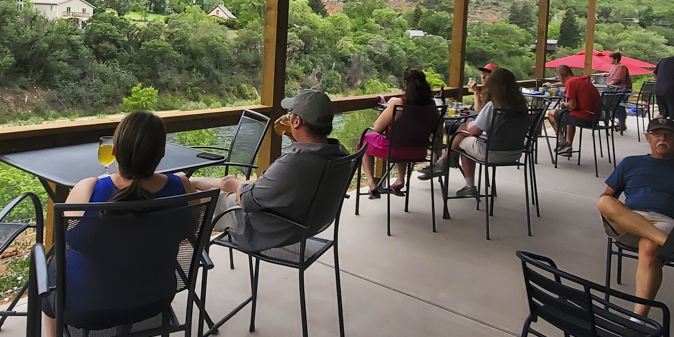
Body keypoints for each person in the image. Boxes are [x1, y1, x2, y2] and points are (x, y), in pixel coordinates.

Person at [36, 111, 199, 337]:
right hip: (153, 300)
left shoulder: (89, 189)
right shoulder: (181, 186)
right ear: (161, 153)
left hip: (84, 308)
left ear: (114, 151)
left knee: (50, 264)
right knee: (134, 259)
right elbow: (188, 230)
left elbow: (69, 239)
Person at [189, 89, 348, 252]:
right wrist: (296, 138)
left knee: (197, 196)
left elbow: (245, 199)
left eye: (290, 113)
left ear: (296, 121)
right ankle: (192, 181)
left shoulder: (293, 164)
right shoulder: (340, 155)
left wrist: (234, 183)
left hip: (266, 229)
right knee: (219, 184)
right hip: (303, 224)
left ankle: (189, 254)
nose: (288, 116)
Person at [597, 118, 674, 315]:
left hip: (667, 223)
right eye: (657, 134)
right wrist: (620, 210)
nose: (662, 138)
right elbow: (608, 195)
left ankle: (638, 319)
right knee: (604, 202)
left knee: (649, 246)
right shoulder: (630, 163)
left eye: (668, 134)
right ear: (647, 137)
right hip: (629, 222)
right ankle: (669, 245)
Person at [442, 67, 530, 198]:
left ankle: (458, 174)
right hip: (515, 152)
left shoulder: (493, 105)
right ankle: (446, 161)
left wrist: (469, 126)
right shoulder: (522, 106)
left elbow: (474, 132)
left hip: (492, 152)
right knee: (465, 134)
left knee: (463, 135)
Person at [359, 68, 437, 199]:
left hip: (395, 150)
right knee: (404, 140)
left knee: (365, 140)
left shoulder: (399, 104)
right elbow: (438, 128)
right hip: (420, 151)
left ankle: (372, 183)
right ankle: (400, 180)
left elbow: (377, 127)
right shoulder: (431, 104)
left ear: (406, 83)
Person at [547, 65, 600, 157]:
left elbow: (572, 106)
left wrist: (563, 104)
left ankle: (562, 142)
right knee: (570, 116)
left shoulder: (571, 83)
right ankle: (568, 146)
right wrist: (554, 85)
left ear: (560, 76)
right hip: (594, 117)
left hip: (584, 119)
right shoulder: (582, 79)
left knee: (550, 113)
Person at [606, 52, 632, 133]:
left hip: (621, 91)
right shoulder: (614, 67)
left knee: (619, 105)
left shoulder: (621, 67)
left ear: (616, 59)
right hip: (615, 90)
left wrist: (608, 85)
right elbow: (609, 75)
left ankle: (622, 124)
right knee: (613, 104)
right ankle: (619, 121)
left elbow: (617, 79)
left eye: (611, 58)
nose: (610, 60)